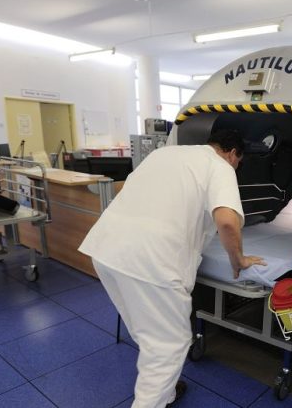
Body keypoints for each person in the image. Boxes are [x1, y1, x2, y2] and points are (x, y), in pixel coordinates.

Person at [79, 129, 266, 408]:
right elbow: (227, 222)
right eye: (239, 161)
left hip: (106, 250)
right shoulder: (221, 166)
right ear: (232, 153)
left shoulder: (163, 153)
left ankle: (164, 392)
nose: (237, 167)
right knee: (169, 345)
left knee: (150, 335)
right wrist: (238, 259)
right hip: (151, 263)